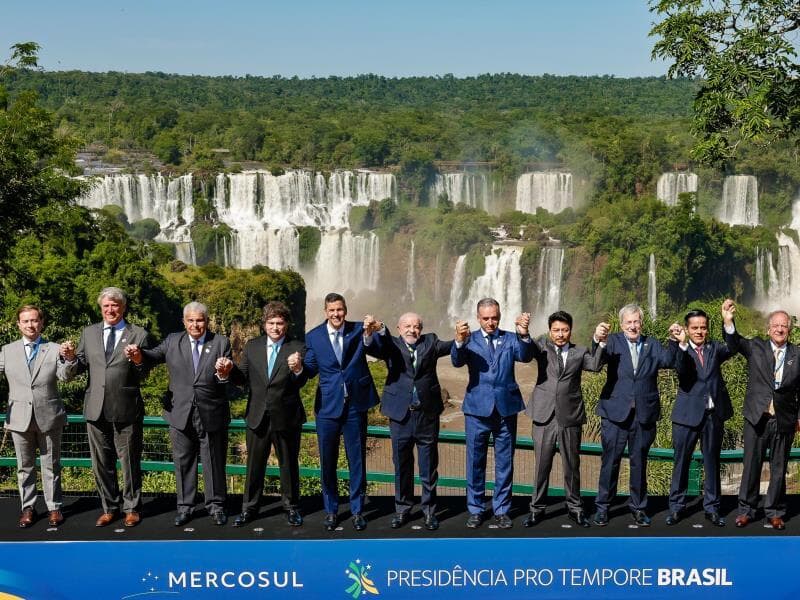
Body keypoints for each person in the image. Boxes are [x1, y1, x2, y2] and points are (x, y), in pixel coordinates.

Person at [126, 301, 233, 526]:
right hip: (179, 412)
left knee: (214, 461)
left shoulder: (220, 342)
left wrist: (224, 373)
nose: (196, 324)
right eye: (191, 320)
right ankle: (185, 507)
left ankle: (216, 506)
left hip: (211, 412)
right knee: (183, 462)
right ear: (184, 322)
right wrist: (137, 355)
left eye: (200, 320)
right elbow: (151, 356)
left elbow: (226, 380)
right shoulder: (173, 340)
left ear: (207, 321)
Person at [61, 287, 152, 527]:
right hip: (95, 407)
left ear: (123, 308)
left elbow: (145, 373)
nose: (110, 310)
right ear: (101, 308)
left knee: (130, 461)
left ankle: (132, 508)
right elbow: (77, 367)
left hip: (126, 407)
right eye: (106, 306)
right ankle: (109, 507)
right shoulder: (89, 333)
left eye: (115, 305)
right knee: (101, 462)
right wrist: (70, 358)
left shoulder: (139, 333)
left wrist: (138, 359)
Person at [592, 303, 684, 527]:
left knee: (639, 463)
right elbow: (597, 361)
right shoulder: (612, 341)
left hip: (643, 413)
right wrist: (597, 339)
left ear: (641, 323)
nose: (633, 326)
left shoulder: (652, 344)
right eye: (628, 322)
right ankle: (603, 507)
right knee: (610, 462)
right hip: (615, 413)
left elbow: (668, 361)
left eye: (636, 322)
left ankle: (639, 508)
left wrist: (676, 342)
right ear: (622, 324)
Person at [451, 297, 533, 529]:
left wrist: (524, 333)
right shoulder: (469, 340)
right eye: (486, 318)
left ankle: (502, 509)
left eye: (494, 317)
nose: (491, 322)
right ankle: (476, 509)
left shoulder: (510, 338)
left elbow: (526, 356)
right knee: (475, 461)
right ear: (478, 318)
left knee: (505, 463)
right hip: (477, 410)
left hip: (506, 409)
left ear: (500, 316)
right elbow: (456, 362)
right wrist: (458, 340)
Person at [302, 293, 381, 531]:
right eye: (332, 310)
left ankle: (357, 510)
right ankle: (331, 510)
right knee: (328, 461)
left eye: (340, 310)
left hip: (356, 405)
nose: (336, 314)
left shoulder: (359, 329)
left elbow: (376, 348)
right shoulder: (314, 336)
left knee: (356, 461)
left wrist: (370, 332)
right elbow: (309, 369)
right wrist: (297, 368)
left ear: (345, 310)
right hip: (327, 407)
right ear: (325, 312)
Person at [523, 311, 608, 528]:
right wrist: (523, 332)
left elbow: (596, 366)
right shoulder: (541, 346)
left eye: (565, 330)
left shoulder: (580, 352)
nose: (560, 334)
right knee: (542, 465)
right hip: (544, 415)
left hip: (569, 415)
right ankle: (536, 509)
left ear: (571, 330)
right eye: (556, 330)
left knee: (572, 466)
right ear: (550, 331)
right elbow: (526, 350)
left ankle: (575, 508)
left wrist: (598, 341)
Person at [721, 298, 800, 530]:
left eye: (784, 325)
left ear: (789, 329)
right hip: (757, 417)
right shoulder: (756, 346)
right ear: (768, 329)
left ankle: (774, 511)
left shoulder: (798, 354)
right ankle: (746, 510)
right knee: (751, 465)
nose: (779, 329)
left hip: (783, 419)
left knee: (778, 468)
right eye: (775, 325)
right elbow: (734, 343)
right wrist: (728, 321)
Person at [230, 301, 309, 528]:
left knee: (289, 465)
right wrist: (227, 372)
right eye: (271, 323)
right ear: (264, 325)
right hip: (257, 415)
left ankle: (292, 508)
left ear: (286, 325)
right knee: (254, 466)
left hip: (286, 416)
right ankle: (249, 508)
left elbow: (301, 381)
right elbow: (241, 379)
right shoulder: (252, 346)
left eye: (280, 323)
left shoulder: (298, 347)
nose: (275, 327)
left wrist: (297, 369)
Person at [373, 312, 453, 531]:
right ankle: (402, 509)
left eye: (416, 326)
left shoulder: (431, 341)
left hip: (426, 414)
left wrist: (462, 337)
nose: (412, 330)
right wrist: (378, 329)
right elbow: (374, 347)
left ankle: (429, 511)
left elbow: (451, 346)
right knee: (402, 465)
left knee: (428, 467)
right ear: (398, 329)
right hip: (400, 415)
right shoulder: (390, 345)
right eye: (407, 326)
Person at [0, 306, 74, 528]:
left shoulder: (53, 349)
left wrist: (70, 359)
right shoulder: (6, 350)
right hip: (19, 417)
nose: (30, 325)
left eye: (34, 320)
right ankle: (28, 508)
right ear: (18, 325)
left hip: (49, 416)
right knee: (25, 466)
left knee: (51, 464)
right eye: (25, 321)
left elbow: (65, 376)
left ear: (41, 323)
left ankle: (54, 508)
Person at [667, 308, 734, 527]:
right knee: (681, 462)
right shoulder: (679, 348)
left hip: (713, 415)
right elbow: (682, 370)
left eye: (703, 327)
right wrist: (683, 344)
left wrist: (728, 322)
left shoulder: (715, 348)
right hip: (686, 416)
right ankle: (676, 508)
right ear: (687, 329)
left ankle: (712, 507)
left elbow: (733, 347)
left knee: (712, 461)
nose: (699, 331)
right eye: (695, 328)